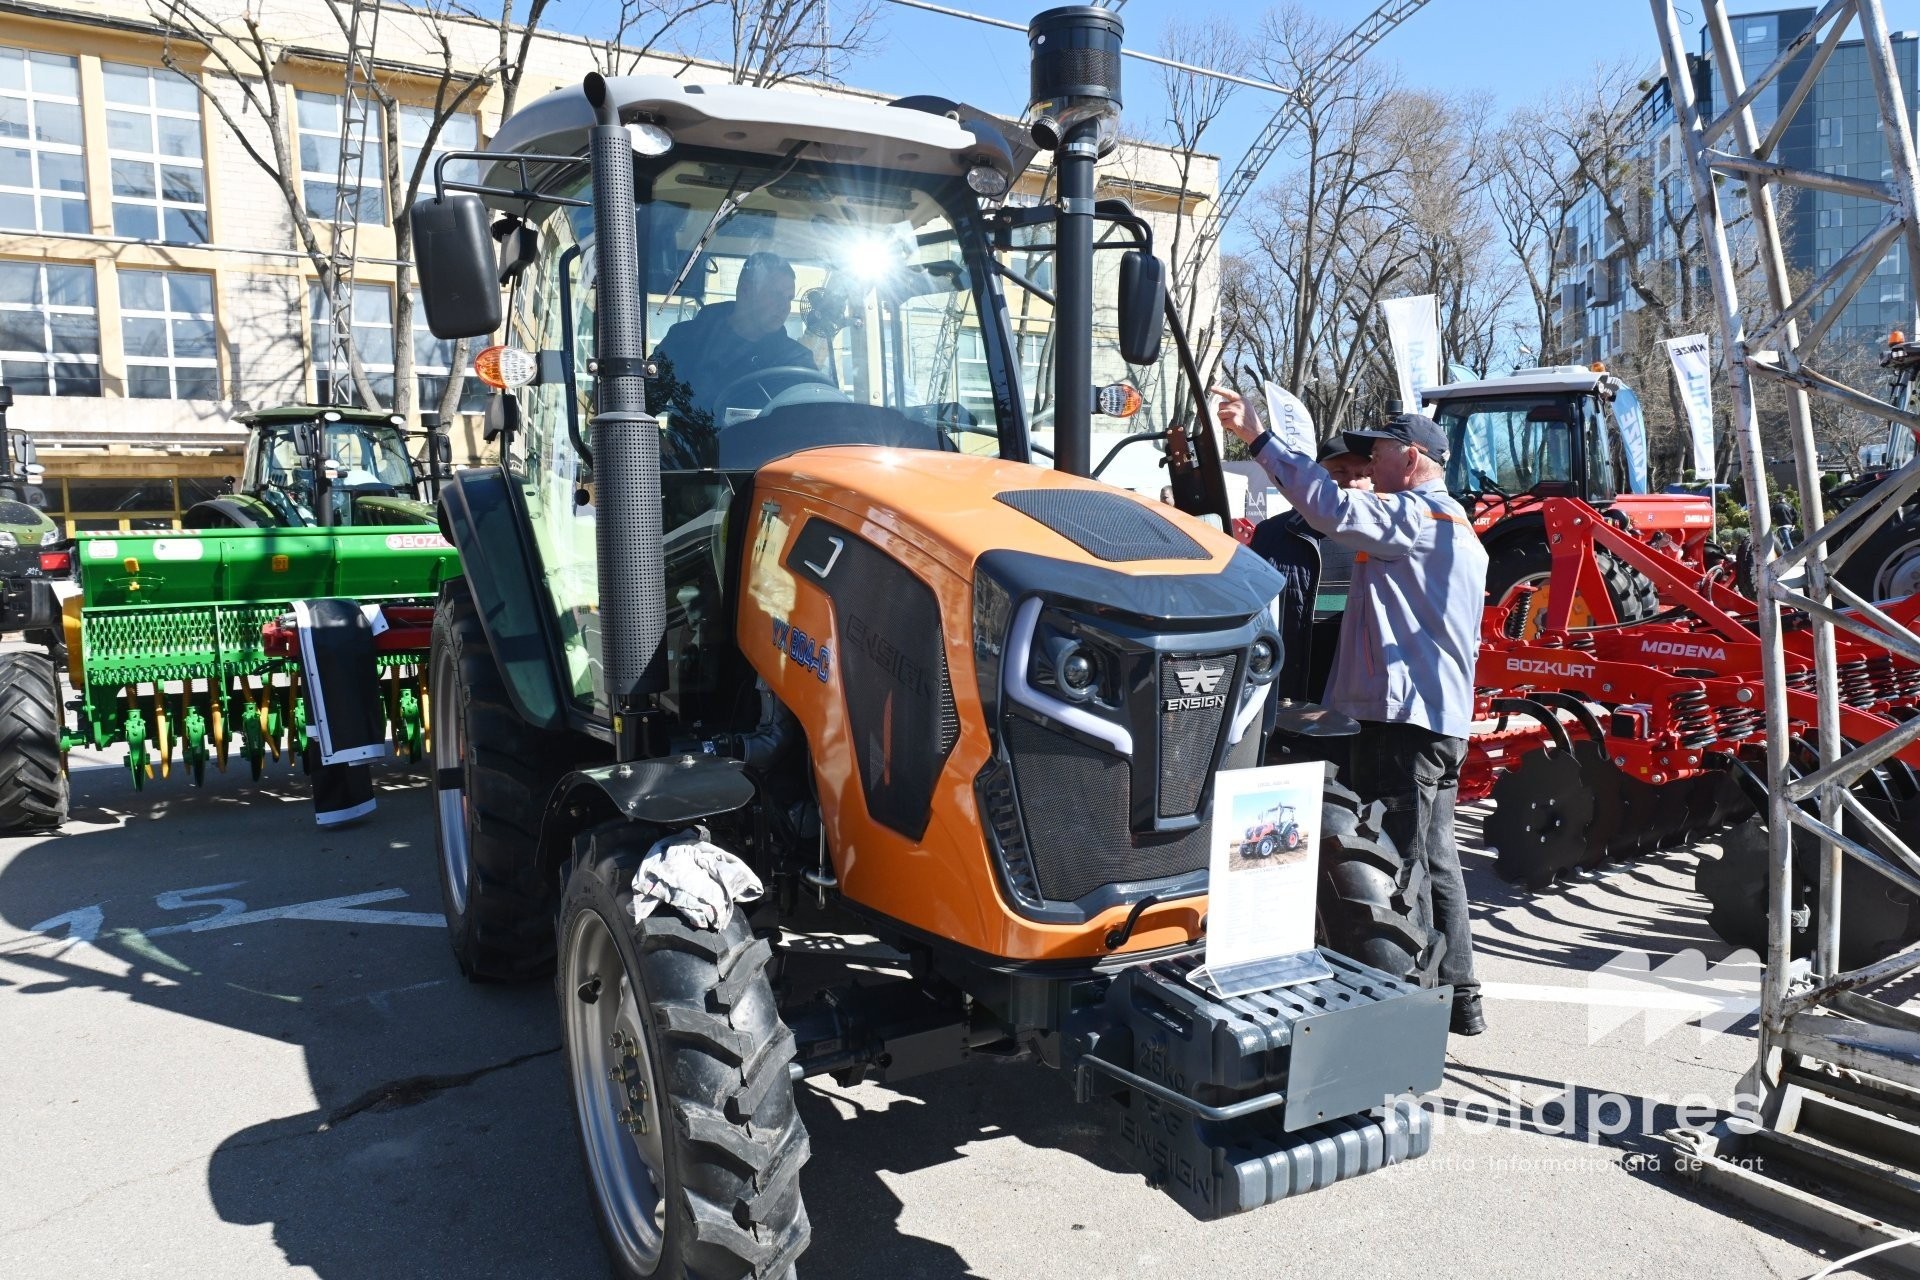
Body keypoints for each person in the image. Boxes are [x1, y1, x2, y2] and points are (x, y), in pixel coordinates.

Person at [1215, 388, 1490, 1037]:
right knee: (1436, 859)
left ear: (1412, 456)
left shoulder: (1414, 519)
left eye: (1380, 451)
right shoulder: (1457, 529)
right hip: (1434, 723)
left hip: (1404, 724)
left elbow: (1330, 507)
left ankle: (1405, 1017)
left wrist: (1259, 439)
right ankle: (1462, 997)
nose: (1369, 463)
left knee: (1403, 869)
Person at [1250, 438, 1371, 707]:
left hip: (1355, 692)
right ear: (1317, 475)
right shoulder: (1272, 534)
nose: (1351, 482)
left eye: (1362, 474)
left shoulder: (1383, 541)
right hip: (1291, 686)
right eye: (1339, 472)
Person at [651, 252, 816, 424]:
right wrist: (663, 447)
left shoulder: (797, 360)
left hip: (778, 451)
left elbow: (821, 420)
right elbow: (642, 404)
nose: (785, 306)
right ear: (745, 290)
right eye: (775, 295)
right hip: (692, 448)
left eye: (789, 298)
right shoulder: (686, 341)